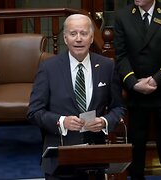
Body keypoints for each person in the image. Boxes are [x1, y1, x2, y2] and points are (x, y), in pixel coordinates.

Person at [27, 14, 125, 180]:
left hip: (94, 160)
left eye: (84, 33)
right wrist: (62, 121)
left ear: (92, 37)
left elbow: (119, 108)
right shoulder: (48, 68)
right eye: (73, 34)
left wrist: (105, 122)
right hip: (59, 158)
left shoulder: (107, 66)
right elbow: (34, 112)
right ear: (65, 38)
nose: (78, 39)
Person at [113, 0, 161, 180]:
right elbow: (120, 56)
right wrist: (133, 83)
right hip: (136, 94)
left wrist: (155, 80)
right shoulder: (123, 16)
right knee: (136, 151)